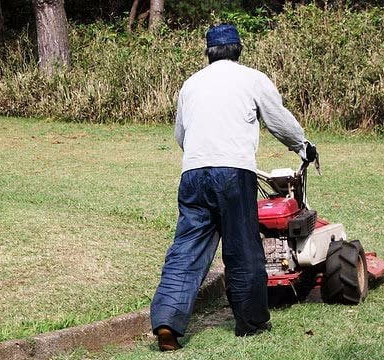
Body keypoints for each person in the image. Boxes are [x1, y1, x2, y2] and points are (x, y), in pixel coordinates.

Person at [150, 23, 317, 352]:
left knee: (186, 248)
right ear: (238, 49)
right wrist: (303, 146)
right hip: (233, 172)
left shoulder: (191, 84)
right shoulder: (251, 79)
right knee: (242, 248)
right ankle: (252, 322)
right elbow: (278, 120)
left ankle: (167, 320)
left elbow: (181, 134)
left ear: (208, 52)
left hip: (193, 173)